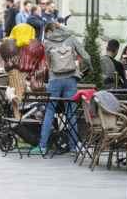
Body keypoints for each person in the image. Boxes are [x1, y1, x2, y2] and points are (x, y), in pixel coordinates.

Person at [30, 22, 92, 156]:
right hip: (70, 80)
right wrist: (89, 69)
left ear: (50, 32)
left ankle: (42, 146)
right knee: (71, 113)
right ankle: (73, 149)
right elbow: (86, 56)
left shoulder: (48, 43)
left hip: (54, 80)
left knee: (49, 112)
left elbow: (50, 64)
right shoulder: (71, 38)